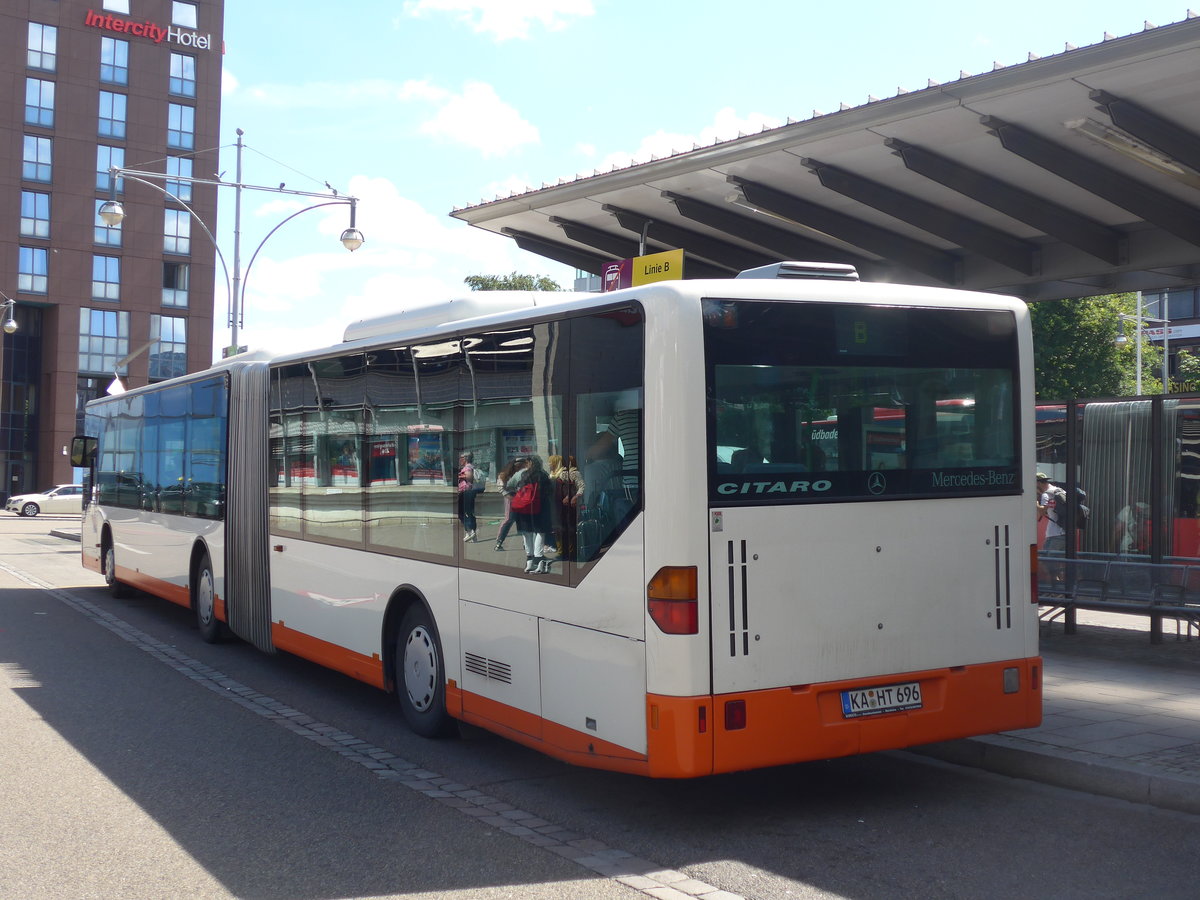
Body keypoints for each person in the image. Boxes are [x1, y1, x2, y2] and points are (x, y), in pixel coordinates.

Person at [505, 454, 555, 573]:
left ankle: (529, 562)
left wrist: (517, 495)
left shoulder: (522, 474)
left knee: (526, 533)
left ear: (528, 463)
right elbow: (550, 490)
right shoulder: (543, 475)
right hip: (540, 507)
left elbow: (509, 486)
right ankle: (539, 560)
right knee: (540, 532)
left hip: (523, 507)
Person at [549, 454, 585, 561]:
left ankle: (570, 552)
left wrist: (571, 496)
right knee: (558, 528)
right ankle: (562, 551)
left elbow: (579, 487)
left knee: (569, 528)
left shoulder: (571, 473)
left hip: (567, 506)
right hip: (556, 505)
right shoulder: (557, 474)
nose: (549, 464)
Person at [493, 457, 526, 551]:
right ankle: (499, 542)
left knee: (523, 519)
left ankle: (525, 542)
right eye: (521, 465)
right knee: (509, 519)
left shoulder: (522, 473)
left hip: (521, 498)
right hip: (510, 497)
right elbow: (500, 487)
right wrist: (508, 496)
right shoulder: (505, 474)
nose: (522, 467)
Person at [1036, 473, 1066, 553]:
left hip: (1054, 534)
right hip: (1065, 533)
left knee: (1048, 562)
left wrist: (1035, 503)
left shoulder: (1046, 494)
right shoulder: (1059, 490)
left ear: (1038, 483)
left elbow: (1042, 512)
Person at [457, 452, 479, 542]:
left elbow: (469, 477)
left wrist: (459, 475)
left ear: (465, 458)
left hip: (466, 492)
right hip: (468, 492)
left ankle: (470, 531)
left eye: (461, 458)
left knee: (462, 513)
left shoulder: (468, 467)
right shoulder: (469, 467)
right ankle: (471, 533)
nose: (459, 460)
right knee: (469, 512)